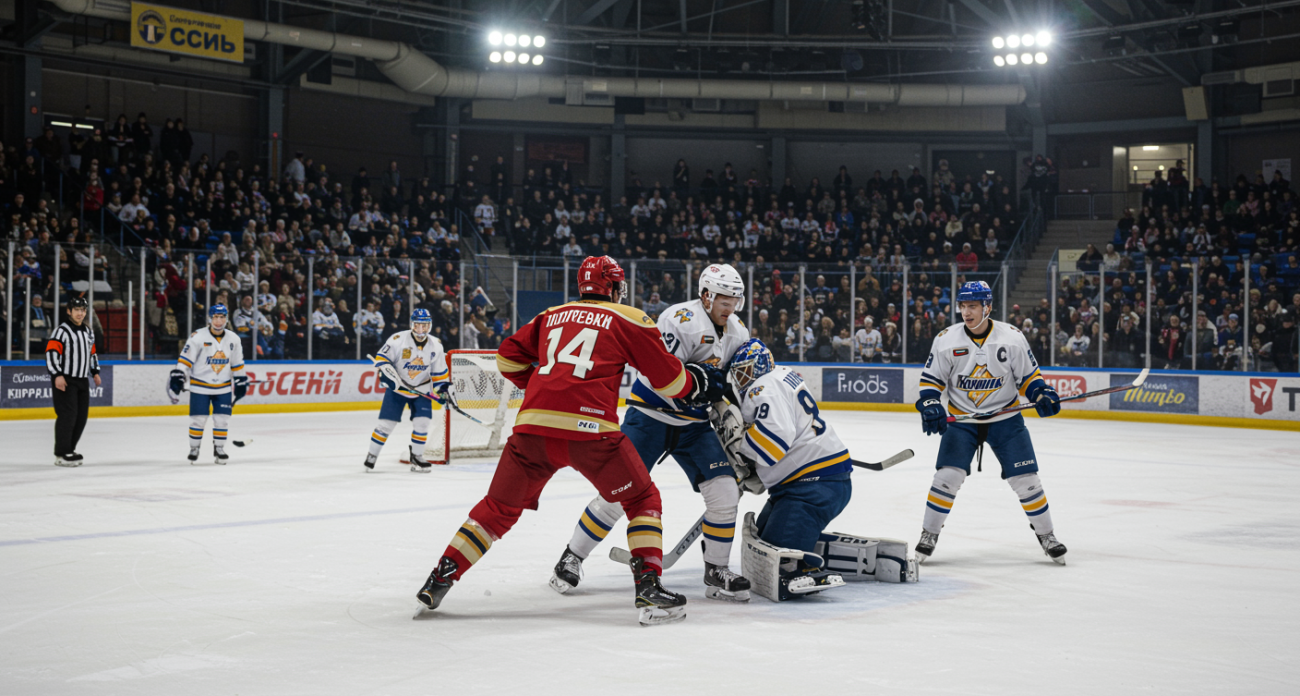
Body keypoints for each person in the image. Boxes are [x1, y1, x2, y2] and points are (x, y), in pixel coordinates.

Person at [415, 256, 724, 626]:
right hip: (590, 432)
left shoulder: (551, 314)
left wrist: (543, 389)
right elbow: (670, 382)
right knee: (642, 499)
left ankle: (440, 578)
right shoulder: (629, 318)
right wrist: (698, 382)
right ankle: (649, 587)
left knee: (497, 509)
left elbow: (507, 359)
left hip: (533, 429)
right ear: (613, 287)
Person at [551, 263, 752, 602]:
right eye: (723, 300)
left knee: (725, 492)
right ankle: (572, 557)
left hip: (693, 425)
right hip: (650, 416)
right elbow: (664, 377)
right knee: (617, 493)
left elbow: (728, 382)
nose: (729, 308)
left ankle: (717, 568)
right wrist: (704, 386)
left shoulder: (738, 331)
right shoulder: (679, 320)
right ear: (706, 295)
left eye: (735, 301)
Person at [722, 339, 915, 601]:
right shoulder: (782, 375)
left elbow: (773, 445)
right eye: (738, 373)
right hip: (811, 482)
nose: (741, 379)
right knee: (763, 545)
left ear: (760, 365)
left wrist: (740, 445)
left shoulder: (763, 387)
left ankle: (809, 566)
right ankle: (819, 549)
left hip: (811, 488)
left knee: (778, 567)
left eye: (745, 371)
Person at [914, 281, 1067, 564]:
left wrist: (1041, 394)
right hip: (963, 419)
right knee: (947, 478)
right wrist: (930, 403)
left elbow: (1029, 378)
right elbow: (931, 381)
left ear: (987, 307)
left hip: (1005, 419)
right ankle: (929, 534)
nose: (966, 312)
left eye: (972, 306)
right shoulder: (946, 339)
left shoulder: (1012, 337)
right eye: (962, 306)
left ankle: (1047, 535)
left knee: (1027, 480)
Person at [365, 308, 449, 473]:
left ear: (430, 326)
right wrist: (387, 375)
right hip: (397, 390)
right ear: (412, 324)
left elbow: (439, 373)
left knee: (422, 423)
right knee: (386, 425)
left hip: (422, 389)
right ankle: (372, 455)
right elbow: (382, 360)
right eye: (417, 325)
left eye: (424, 326)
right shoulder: (397, 340)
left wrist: (443, 390)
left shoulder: (436, 345)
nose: (421, 330)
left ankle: (417, 457)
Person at [168, 304, 247, 465]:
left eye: (222, 317)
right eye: (215, 317)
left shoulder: (234, 339)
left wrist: (240, 380)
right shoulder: (197, 337)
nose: (219, 321)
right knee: (198, 419)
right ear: (209, 319)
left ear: (226, 318)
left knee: (222, 419)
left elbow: (237, 364)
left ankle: (219, 448)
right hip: (200, 387)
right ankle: (194, 448)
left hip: (223, 387)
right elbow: (185, 360)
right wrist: (179, 374)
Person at [45, 296, 101, 467]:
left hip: (82, 380)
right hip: (66, 379)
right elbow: (51, 353)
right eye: (76, 310)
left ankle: (69, 449)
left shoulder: (88, 332)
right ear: (69, 311)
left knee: (81, 417)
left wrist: (95, 372)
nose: (80, 313)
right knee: (67, 416)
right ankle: (61, 453)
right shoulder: (61, 331)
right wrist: (57, 374)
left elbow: (92, 353)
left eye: (83, 310)